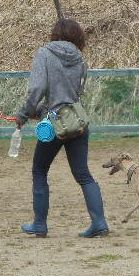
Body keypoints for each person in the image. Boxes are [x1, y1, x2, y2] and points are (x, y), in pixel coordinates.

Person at [15, 18, 109, 238]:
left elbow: (37, 89)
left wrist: (23, 114)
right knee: (83, 174)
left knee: (39, 170)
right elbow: (73, 94)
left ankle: (40, 224)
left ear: (54, 34)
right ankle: (99, 222)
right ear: (77, 36)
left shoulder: (44, 54)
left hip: (53, 123)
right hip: (76, 121)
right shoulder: (80, 59)